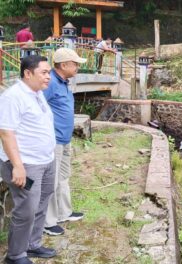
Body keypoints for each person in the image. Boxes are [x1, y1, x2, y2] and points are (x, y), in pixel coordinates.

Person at [0, 55, 56, 264]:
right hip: (26, 164)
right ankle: (15, 255)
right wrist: (17, 166)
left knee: (42, 201)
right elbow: (6, 133)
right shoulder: (13, 97)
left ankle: (32, 244)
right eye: (44, 72)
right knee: (26, 209)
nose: (48, 77)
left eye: (49, 72)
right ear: (28, 73)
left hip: (46, 160)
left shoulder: (36, 93)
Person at [43, 48, 86, 236]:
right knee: (51, 182)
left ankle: (63, 212)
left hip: (65, 139)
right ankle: (48, 222)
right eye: (75, 63)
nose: (77, 67)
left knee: (63, 178)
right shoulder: (50, 82)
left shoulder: (64, 82)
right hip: (53, 141)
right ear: (63, 65)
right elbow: (37, 107)